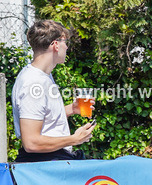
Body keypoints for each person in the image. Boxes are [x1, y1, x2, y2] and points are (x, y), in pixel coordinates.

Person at [13, 20, 95, 162]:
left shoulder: (43, 76)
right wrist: (74, 139)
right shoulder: (33, 83)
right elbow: (31, 143)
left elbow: (42, 117)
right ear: (55, 44)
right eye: (65, 42)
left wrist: (71, 109)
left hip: (50, 162)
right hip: (42, 166)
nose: (67, 47)